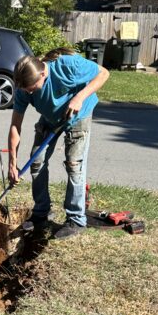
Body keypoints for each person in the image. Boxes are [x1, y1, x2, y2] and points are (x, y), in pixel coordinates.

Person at [8, 47, 109, 239]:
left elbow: (104, 73)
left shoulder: (66, 66)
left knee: (74, 165)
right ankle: (41, 212)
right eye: (25, 89)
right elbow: (15, 126)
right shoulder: (23, 89)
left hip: (79, 114)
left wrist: (79, 98)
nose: (28, 92)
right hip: (50, 117)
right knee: (36, 162)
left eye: (32, 88)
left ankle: (76, 219)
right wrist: (12, 164)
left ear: (43, 74)